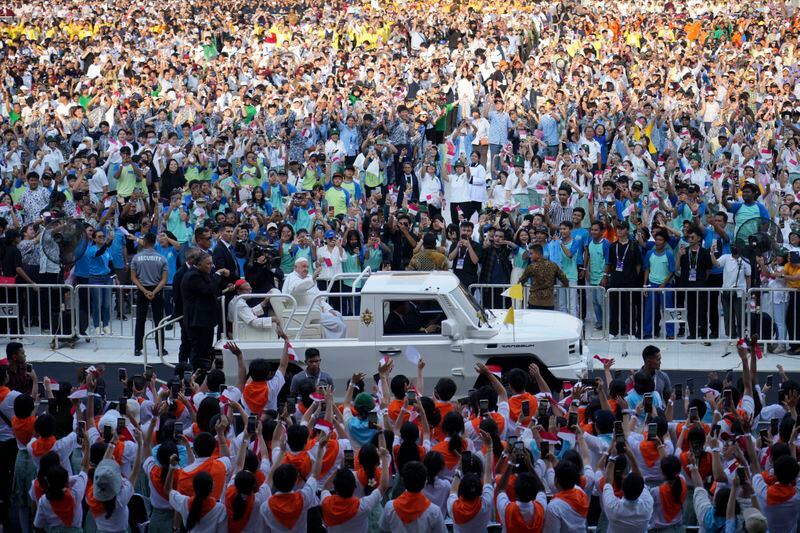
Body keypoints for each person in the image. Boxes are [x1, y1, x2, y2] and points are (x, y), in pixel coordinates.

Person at [281, 256, 346, 339]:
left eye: (307, 267)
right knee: (339, 325)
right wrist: (313, 278)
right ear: (295, 267)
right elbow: (296, 289)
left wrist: (329, 309)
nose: (306, 269)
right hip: (304, 313)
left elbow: (318, 298)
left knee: (338, 315)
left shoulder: (309, 277)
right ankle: (335, 345)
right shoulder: (292, 277)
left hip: (315, 311)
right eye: (303, 266)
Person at [181, 252, 226, 369]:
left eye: (212, 263)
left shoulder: (201, 273)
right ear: (199, 264)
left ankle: (202, 376)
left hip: (205, 321)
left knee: (205, 352)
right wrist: (218, 274)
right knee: (199, 352)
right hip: (197, 322)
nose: (211, 266)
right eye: (208, 264)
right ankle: (196, 377)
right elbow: (208, 290)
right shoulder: (193, 276)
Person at [378, 461, 447, 533]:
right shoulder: (434, 511)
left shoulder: (390, 507)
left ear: (403, 481)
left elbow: (384, 529)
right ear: (424, 482)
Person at [130, 232, 168, 357]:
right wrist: (154, 291)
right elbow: (164, 280)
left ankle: (137, 348)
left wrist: (144, 291)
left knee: (140, 320)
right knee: (159, 321)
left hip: (142, 290)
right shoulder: (162, 258)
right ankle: (160, 349)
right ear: (155, 242)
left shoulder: (136, 258)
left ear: (145, 241)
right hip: (156, 290)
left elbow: (133, 278)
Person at [517, 244, 569, 310]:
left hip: (534, 301)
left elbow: (521, 281)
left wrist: (523, 284)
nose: (530, 256)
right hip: (548, 302)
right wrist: (564, 284)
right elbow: (564, 279)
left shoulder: (531, 267)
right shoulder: (553, 265)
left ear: (538, 254)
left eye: (531, 253)